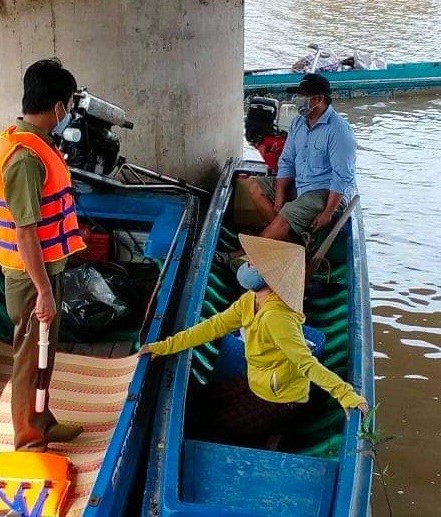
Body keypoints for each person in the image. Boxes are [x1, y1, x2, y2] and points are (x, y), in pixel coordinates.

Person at [139, 234, 368, 444]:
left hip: (280, 401)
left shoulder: (277, 317)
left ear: (269, 277)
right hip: (256, 382)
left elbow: (305, 363)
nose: (246, 265)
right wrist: (165, 346)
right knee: (197, 403)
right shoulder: (250, 300)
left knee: (209, 426)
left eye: (252, 264)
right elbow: (214, 326)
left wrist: (345, 394)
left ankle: (276, 431)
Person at [0, 58, 87, 452]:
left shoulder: (32, 141)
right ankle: (29, 440)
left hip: (46, 271)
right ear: (60, 108)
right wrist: (44, 292)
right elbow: (25, 232)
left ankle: (43, 421)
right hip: (32, 278)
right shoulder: (26, 159)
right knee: (30, 358)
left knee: (44, 352)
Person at [217, 73, 357, 266]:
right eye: (298, 94)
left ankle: (244, 254)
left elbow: (342, 176)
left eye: (303, 95)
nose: (298, 100)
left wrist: (328, 212)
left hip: (325, 191)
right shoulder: (298, 123)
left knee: (288, 213)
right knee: (255, 188)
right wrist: (281, 192)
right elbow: (287, 160)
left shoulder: (339, 131)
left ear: (319, 99)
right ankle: (294, 244)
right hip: (300, 183)